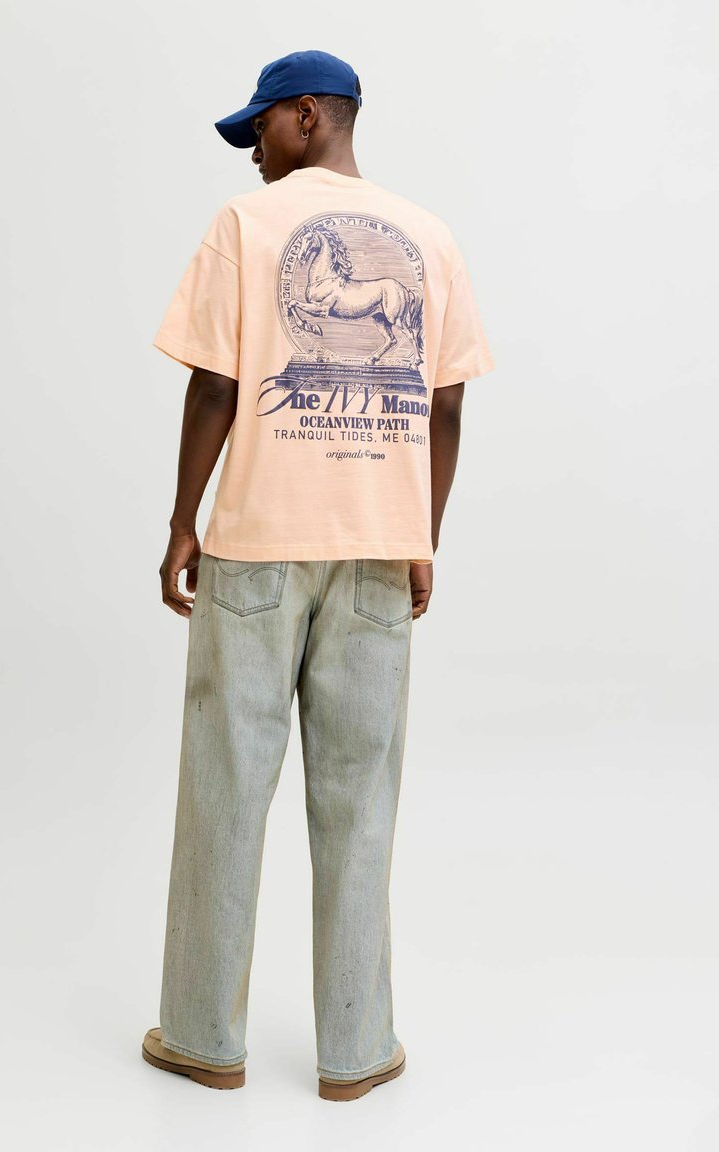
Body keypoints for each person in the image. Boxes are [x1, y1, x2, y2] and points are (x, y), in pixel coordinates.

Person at [141, 49, 495, 1101]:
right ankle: (355, 1050)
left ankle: (202, 1038)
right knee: (360, 805)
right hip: (377, 553)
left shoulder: (244, 227)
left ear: (307, 116)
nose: (251, 150)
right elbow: (445, 406)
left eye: (259, 127)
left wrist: (182, 521)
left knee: (224, 793)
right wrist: (420, 535)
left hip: (257, 543)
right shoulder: (429, 236)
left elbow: (216, 383)